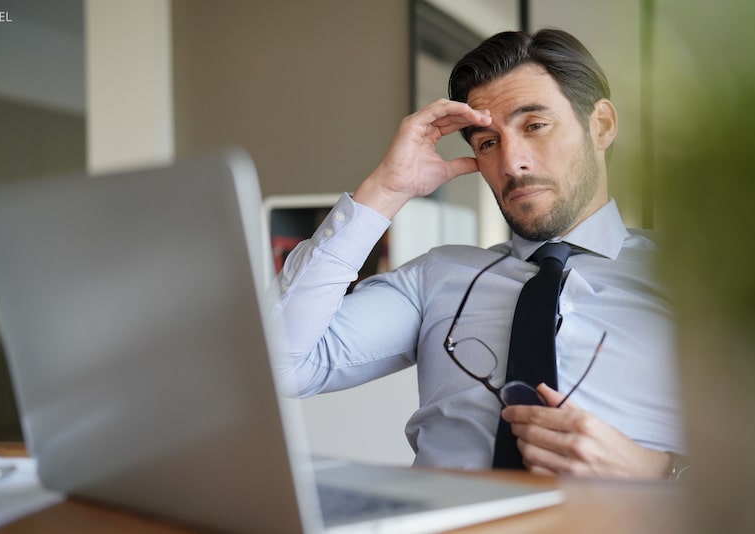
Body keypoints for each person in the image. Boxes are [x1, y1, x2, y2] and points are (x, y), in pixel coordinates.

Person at [270, 29, 685, 478]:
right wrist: (386, 190)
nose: (512, 163)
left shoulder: (696, 277)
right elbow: (280, 363)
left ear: (600, 125)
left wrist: (660, 471)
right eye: (488, 142)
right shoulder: (436, 276)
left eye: (535, 126)